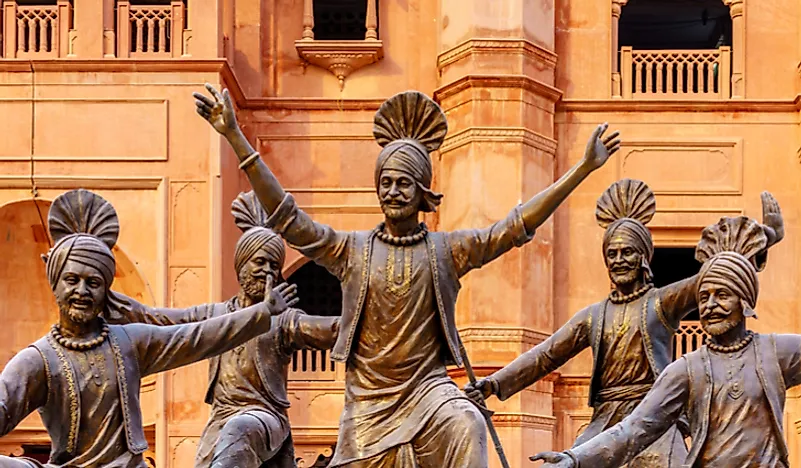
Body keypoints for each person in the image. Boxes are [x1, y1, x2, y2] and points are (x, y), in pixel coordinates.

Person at [192, 84, 620, 467]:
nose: (393, 191)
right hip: (368, 401)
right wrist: (234, 136)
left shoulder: (446, 251)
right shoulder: (351, 250)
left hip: (428, 390)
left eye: (404, 183)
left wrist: (581, 170)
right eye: (387, 182)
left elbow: (512, 229)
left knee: (467, 421)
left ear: (423, 192)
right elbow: (290, 219)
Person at [464, 181, 784, 466]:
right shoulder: (592, 315)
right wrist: (494, 383)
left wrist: (763, 240)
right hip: (604, 419)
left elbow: (714, 273)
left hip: (655, 415)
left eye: (627, 252)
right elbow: (546, 355)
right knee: (569, 462)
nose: (618, 260)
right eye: (612, 254)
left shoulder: (661, 302)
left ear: (643, 258)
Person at [0, 189, 294, 468]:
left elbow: (198, 337)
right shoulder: (38, 360)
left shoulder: (128, 342)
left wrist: (262, 313)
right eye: (72, 280)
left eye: (93, 283)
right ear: (56, 284)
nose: (82, 291)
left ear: (106, 291)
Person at [533, 211, 794, 468]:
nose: (711, 305)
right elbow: (634, 428)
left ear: (745, 300)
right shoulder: (687, 370)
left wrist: (765, 238)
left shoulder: (775, 352)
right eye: (703, 298)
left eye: (722, 295)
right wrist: (574, 458)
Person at [112, 191, 339, 468]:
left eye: (273, 265)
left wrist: (379, 317)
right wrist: (114, 303)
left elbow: (330, 329)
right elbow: (161, 320)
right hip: (220, 420)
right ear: (241, 265)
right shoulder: (214, 315)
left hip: (264, 418)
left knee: (240, 429)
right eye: (260, 262)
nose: (266, 271)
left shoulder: (283, 320)